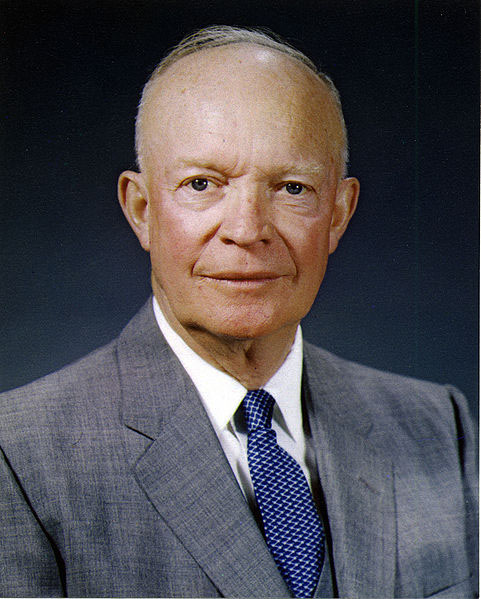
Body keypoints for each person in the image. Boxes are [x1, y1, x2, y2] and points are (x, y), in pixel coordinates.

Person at [0, 25, 476, 599]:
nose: (247, 231)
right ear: (142, 209)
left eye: (292, 188)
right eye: (202, 183)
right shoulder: (20, 457)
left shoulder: (437, 427)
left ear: (339, 214)